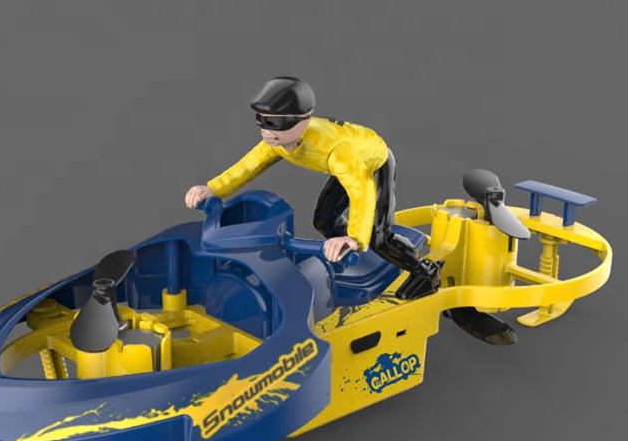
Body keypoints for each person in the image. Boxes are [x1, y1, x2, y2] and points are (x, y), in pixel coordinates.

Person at [184, 76, 441, 300]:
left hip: (373, 163)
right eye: (261, 120)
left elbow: (361, 190)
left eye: (276, 122)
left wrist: (354, 238)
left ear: (303, 121)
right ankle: (350, 253)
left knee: (378, 236)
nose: (266, 130)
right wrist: (212, 189)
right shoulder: (276, 143)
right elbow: (247, 167)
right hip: (347, 168)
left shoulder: (335, 150)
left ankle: (425, 272)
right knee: (324, 221)